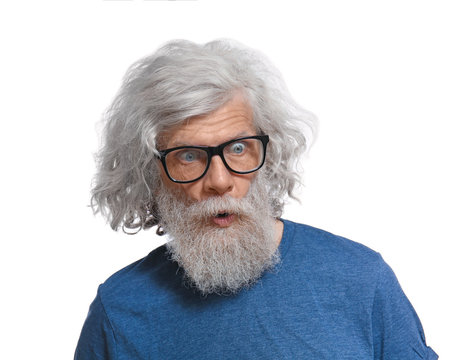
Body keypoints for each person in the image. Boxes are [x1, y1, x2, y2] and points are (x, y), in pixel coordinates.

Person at [75, 39, 438, 359]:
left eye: (238, 148)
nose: (219, 181)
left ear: (269, 149)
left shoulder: (361, 279)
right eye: (188, 156)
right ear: (150, 173)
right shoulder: (119, 311)